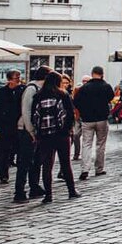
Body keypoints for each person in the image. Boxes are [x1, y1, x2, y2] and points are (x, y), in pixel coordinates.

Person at [31, 71, 79, 203]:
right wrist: (68, 130)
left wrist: (37, 132)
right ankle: (71, 191)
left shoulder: (38, 96)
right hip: (61, 134)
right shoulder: (63, 95)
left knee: (47, 165)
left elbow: (33, 117)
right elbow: (70, 114)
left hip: (44, 135)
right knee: (65, 163)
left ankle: (48, 195)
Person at [15, 67, 50, 202]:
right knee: (25, 161)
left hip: (35, 130)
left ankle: (34, 187)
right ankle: (19, 191)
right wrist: (30, 131)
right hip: (25, 130)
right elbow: (26, 111)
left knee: (36, 161)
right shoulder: (31, 89)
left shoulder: (39, 89)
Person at [74, 66, 114, 180]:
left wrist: (83, 112)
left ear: (92, 74)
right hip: (102, 119)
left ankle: (85, 169)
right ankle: (99, 168)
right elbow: (110, 97)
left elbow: (76, 102)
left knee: (86, 144)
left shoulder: (84, 88)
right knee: (100, 145)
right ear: (102, 74)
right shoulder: (106, 86)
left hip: (87, 120)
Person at [0, 70, 23, 183]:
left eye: (19, 77)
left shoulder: (22, 90)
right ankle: (3, 175)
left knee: (20, 150)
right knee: (4, 151)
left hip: (20, 125)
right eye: (16, 77)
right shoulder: (1, 92)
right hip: (5, 126)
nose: (19, 79)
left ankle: (21, 176)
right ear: (10, 79)